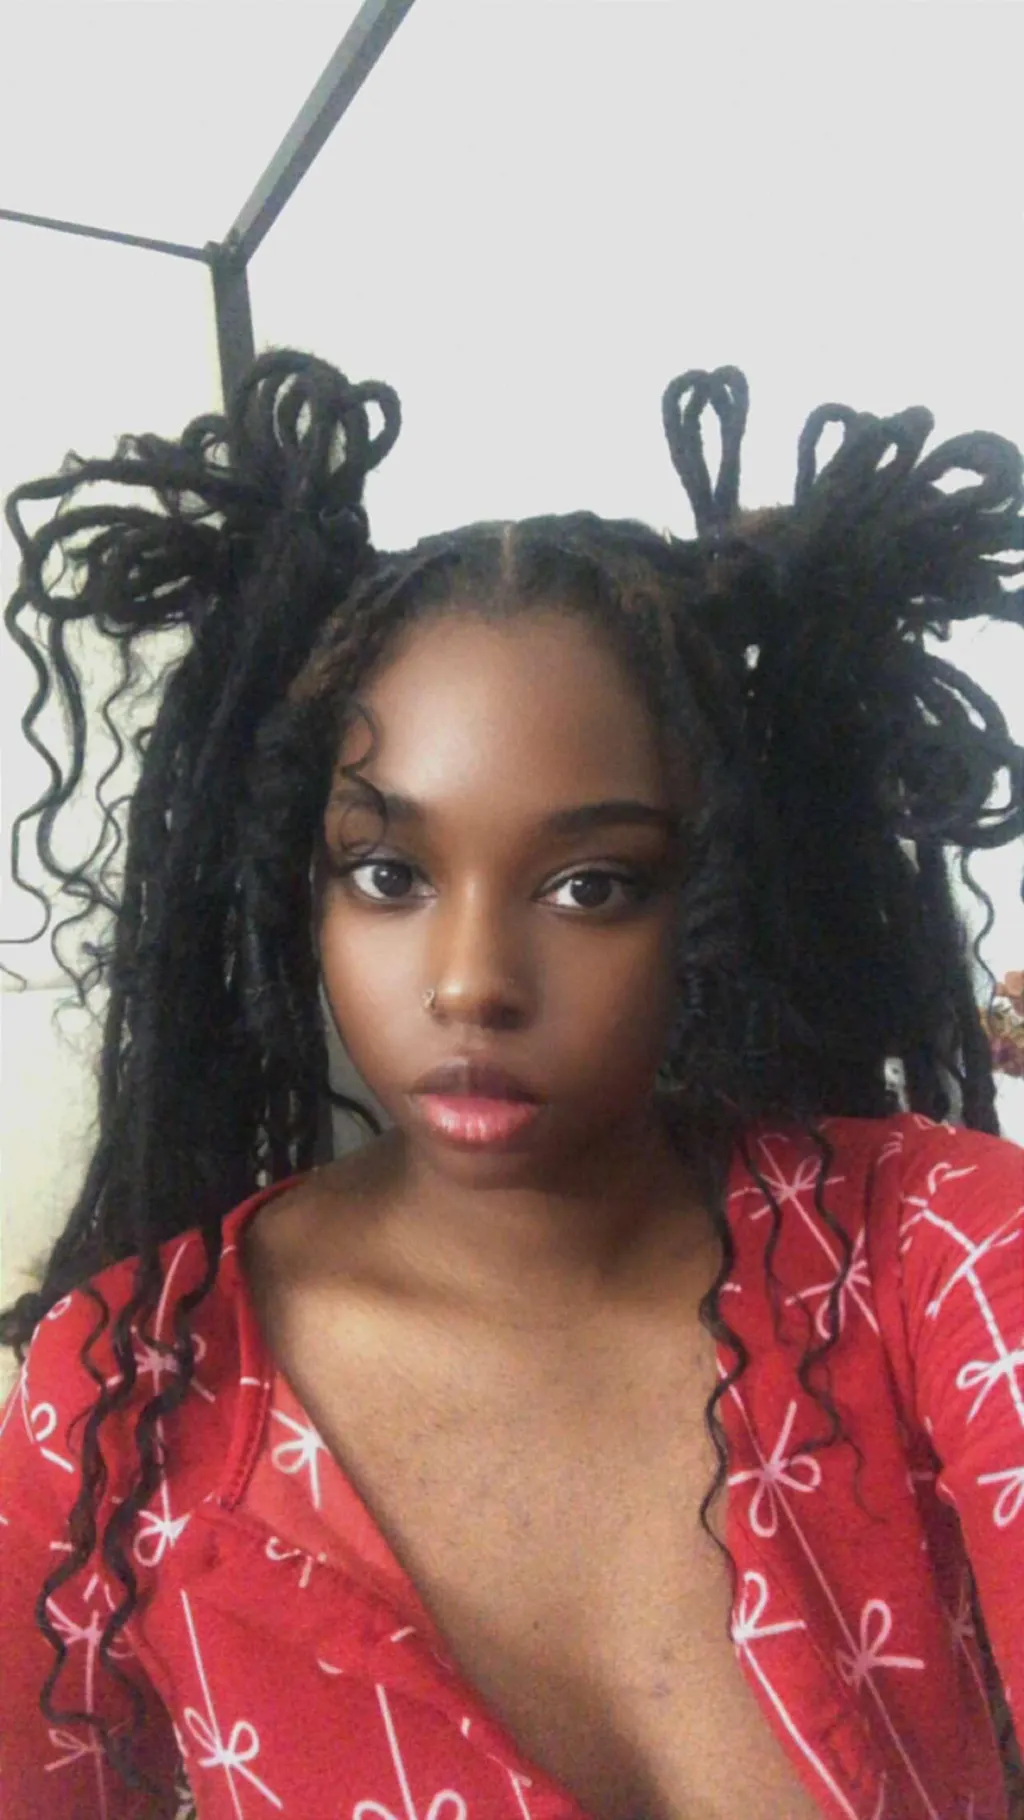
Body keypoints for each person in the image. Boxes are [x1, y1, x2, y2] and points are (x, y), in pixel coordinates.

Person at [0, 351, 1022, 1820]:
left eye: (593, 882)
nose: (472, 981)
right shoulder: (124, 1397)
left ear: (715, 895)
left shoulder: (943, 1254)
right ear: (295, 886)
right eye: (388, 873)